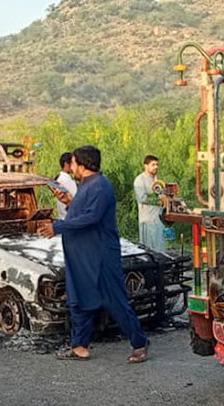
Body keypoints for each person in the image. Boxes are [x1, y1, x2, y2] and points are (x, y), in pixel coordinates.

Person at [39, 146, 149, 363]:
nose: (71, 168)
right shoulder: (86, 186)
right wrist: (68, 202)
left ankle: (140, 342)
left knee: (114, 299)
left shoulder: (100, 186)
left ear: (82, 165)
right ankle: (79, 346)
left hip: (100, 256)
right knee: (78, 299)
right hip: (82, 255)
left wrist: (58, 227)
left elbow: (91, 217)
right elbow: (82, 212)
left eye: (72, 163)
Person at [133, 154, 166, 252]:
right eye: (153, 164)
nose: (156, 167)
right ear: (146, 165)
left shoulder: (157, 180)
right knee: (148, 249)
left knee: (160, 246)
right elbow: (142, 198)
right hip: (147, 220)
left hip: (159, 219)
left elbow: (162, 194)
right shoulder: (140, 180)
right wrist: (158, 201)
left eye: (157, 165)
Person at [55, 152, 78, 220]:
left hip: (63, 216)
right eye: (72, 163)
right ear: (66, 164)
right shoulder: (66, 180)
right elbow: (76, 197)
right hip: (70, 217)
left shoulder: (60, 178)